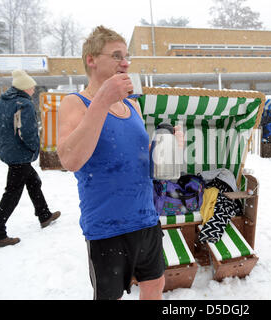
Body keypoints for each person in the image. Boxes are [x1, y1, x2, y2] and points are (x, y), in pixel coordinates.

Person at [57, 26, 166, 300]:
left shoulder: (133, 105)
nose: (126, 62)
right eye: (116, 55)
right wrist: (103, 99)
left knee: (154, 285)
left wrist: (162, 148)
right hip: (107, 227)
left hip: (145, 218)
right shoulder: (74, 103)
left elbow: (136, 157)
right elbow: (70, 159)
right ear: (91, 59)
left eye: (126, 56)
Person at [0, 70, 61, 249]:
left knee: (33, 181)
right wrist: (35, 149)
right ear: (25, 88)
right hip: (20, 155)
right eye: (32, 87)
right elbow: (28, 132)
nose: (33, 90)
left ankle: (44, 215)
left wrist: (4, 145)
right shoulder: (24, 104)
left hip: (9, 152)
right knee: (12, 191)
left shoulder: (2, 102)